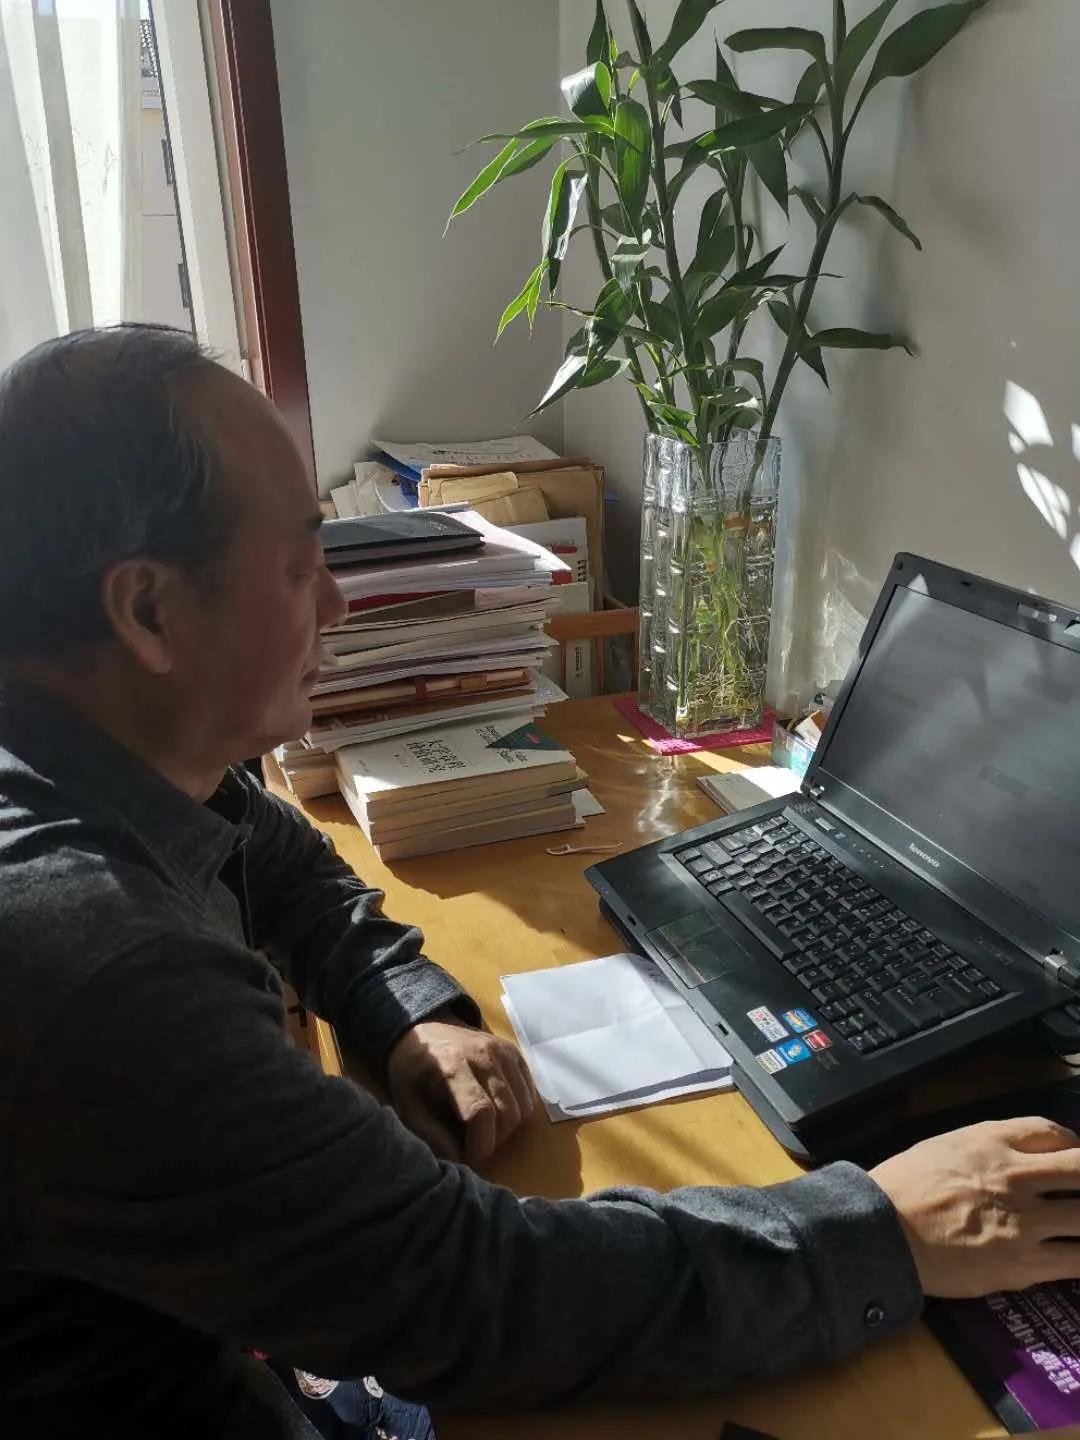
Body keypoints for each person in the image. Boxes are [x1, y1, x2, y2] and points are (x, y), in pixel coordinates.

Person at [3, 327, 1080, 1440]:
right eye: (298, 565)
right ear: (149, 613)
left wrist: (407, 1007)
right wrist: (884, 1231)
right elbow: (472, 1292)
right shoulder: (95, 956)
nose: (334, 605)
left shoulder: (106, 754)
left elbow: (274, 861)